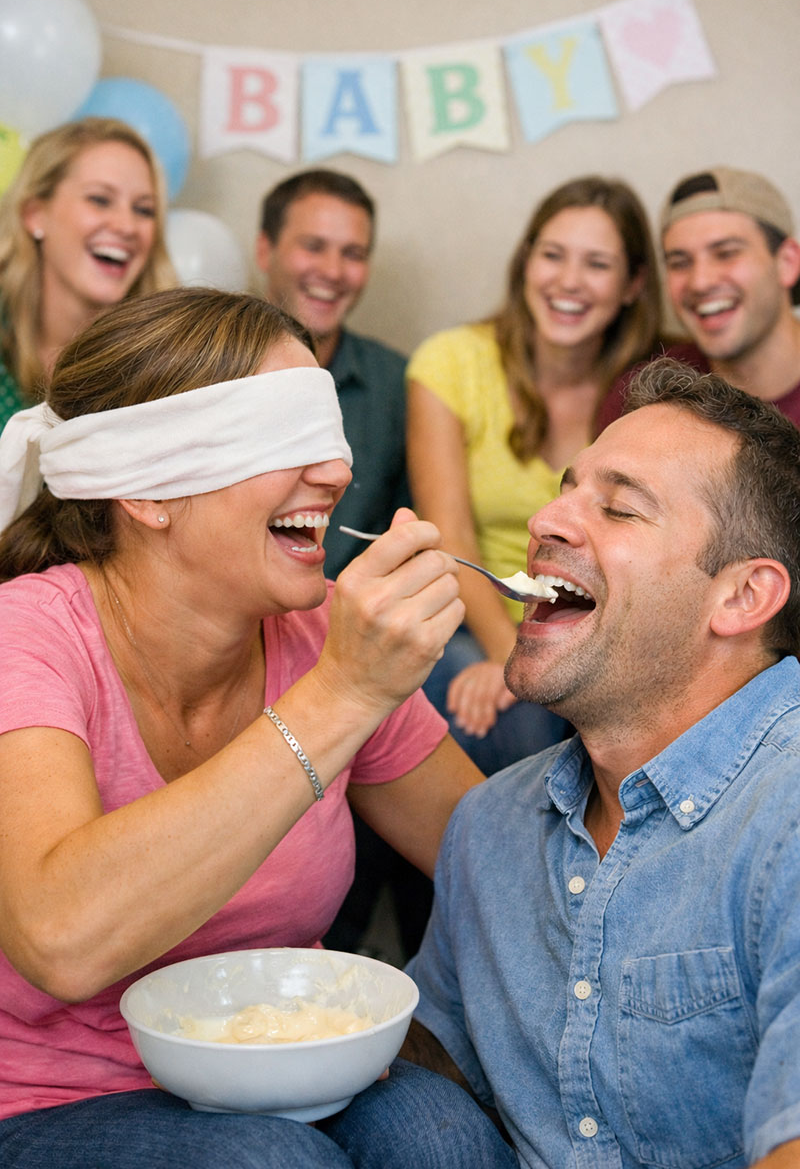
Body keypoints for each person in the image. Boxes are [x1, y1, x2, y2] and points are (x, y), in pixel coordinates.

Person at [0, 287, 509, 1168]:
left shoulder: (319, 639)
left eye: (329, 430)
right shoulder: (27, 637)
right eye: (283, 436)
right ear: (149, 491)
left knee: (447, 1143)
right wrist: (342, 697)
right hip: (51, 1097)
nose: (338, 472)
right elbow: (61, 939)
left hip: (290, 1062)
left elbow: (497, 859)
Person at [391, 359, 800, 1168]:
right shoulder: (490, 827)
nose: (547, 519)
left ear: (743, 596)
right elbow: (426, 1063)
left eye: (617, 508)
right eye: (564, 489)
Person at [406, 175, 661, 776]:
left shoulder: (652, 388)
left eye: (596, 264)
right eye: (552, 255)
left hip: (602, 617)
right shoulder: (451, 363)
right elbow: (452, 540)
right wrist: (508, 654)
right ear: (525, 264)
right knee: (515, 712)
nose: (568, 281)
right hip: (479, 614)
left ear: (632, 286)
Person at [256, 169, 409, 579]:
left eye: (353, 254)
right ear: (264, 250)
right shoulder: (205, 369)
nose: (334, 271)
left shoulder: (397, 385)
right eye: (313, 246)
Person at [0, 116, 176, 430]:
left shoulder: (172, 364)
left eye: (144, 209)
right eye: (99, 200)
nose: (126, 226)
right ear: (35, 214)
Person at [598, 165, 800, 429]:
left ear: (787, 262)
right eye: (680, 262)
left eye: (726, 253)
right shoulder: (644, 398)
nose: (701, 282)